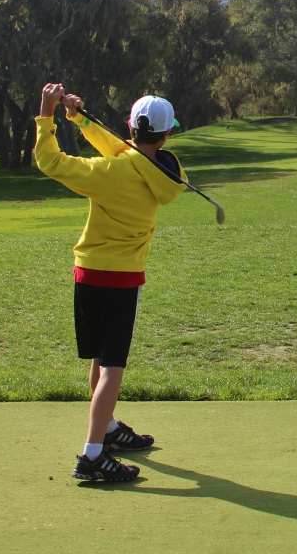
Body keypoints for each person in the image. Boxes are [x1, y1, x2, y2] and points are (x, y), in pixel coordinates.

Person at [34, 82, 186, 482]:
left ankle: (106, 429)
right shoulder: (168, 173)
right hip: (121, 280)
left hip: (88, 273)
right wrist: (81, 119)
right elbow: (127, 152)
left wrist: (47, 115)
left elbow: (50, 161)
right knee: (113, 367)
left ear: (130, 128)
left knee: (103, 362)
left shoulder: (107, 171)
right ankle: (93, 454)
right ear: (166, 135)